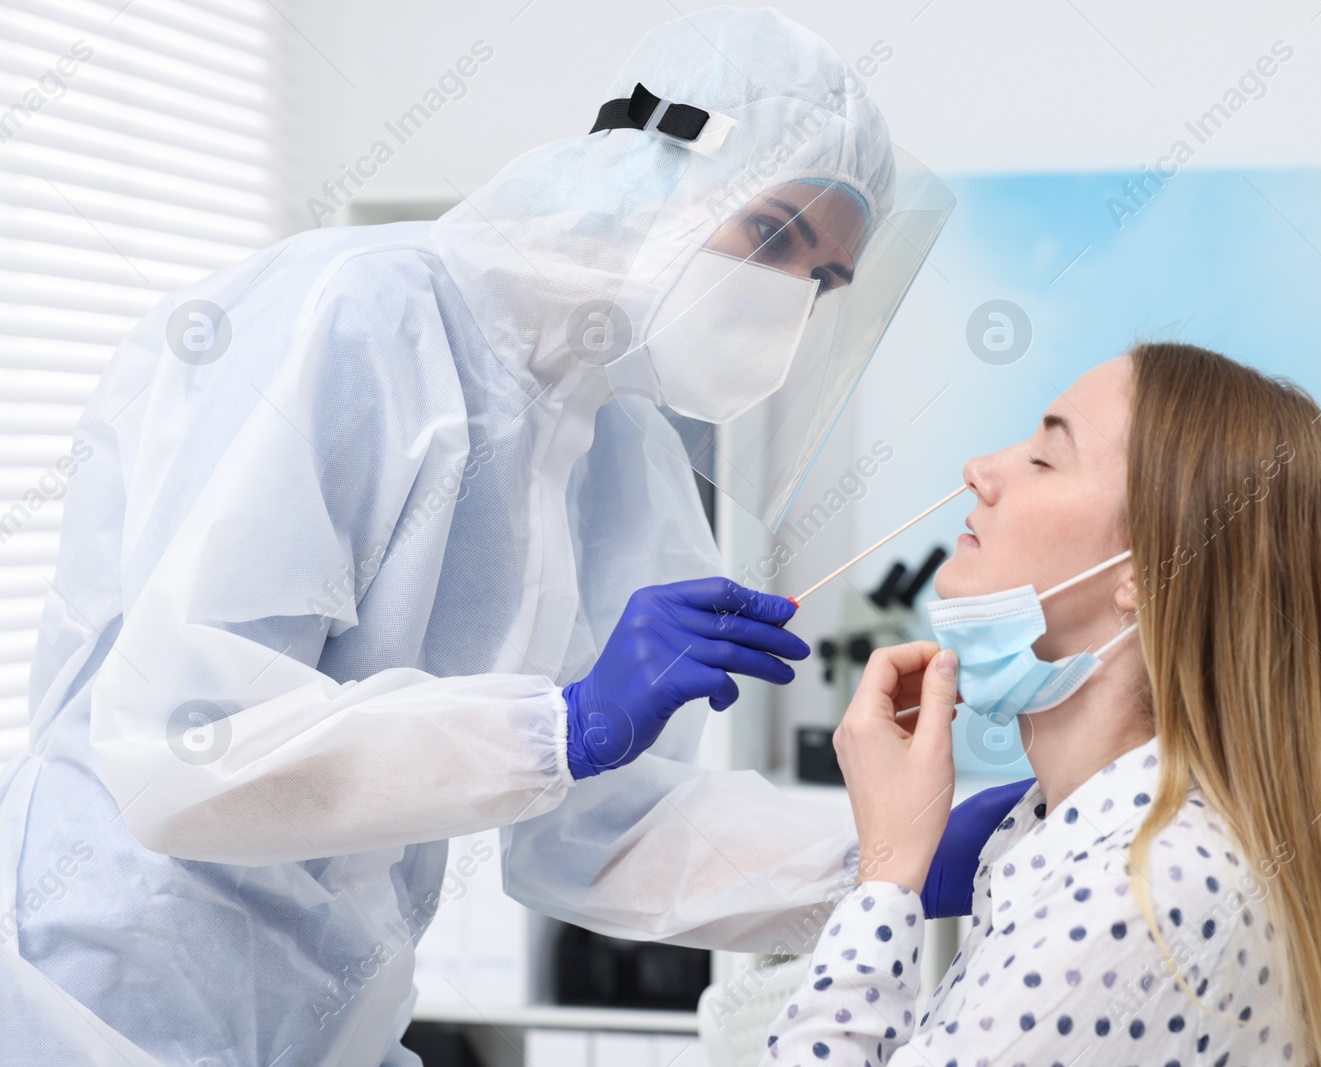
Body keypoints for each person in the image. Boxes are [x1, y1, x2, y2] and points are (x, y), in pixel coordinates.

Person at [0, 9, 1015, 1066]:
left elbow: (603, 831)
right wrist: (560, 723)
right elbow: (179, 749)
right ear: (653, 169)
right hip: (96, 992)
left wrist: (896, 854)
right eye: (770, 235)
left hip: (326, 1018)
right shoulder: (359, 315)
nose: (788, 298)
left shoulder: (619, 445)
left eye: (822, 282)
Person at [765, 344, 1321, 1066]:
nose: (980, 470)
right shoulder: (1069, 835)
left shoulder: (1140, 897)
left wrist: (888, 870)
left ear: (1148, 574)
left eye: (1044, 459)